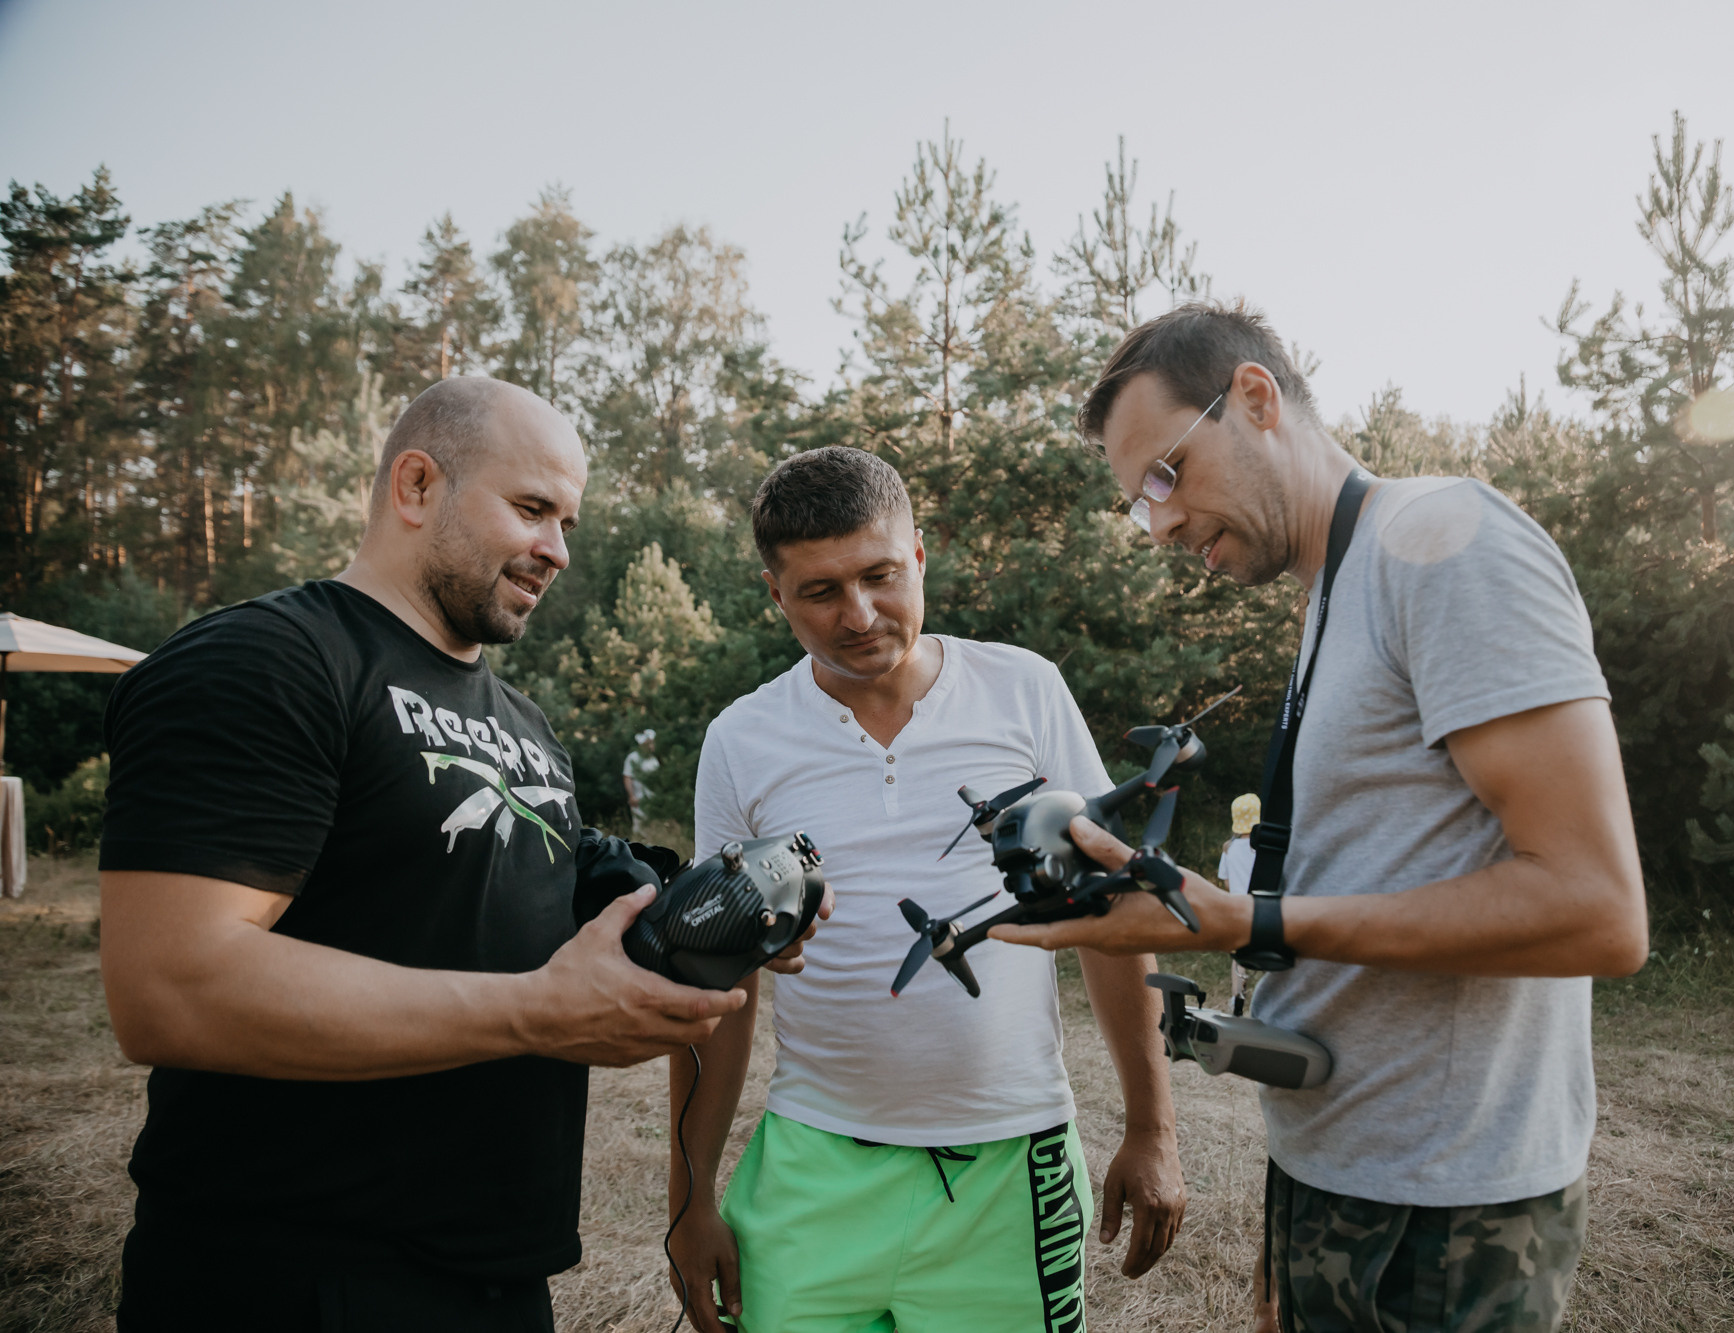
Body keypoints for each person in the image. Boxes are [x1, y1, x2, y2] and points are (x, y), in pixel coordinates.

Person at [993, 303, 1649, 1333]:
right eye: (1137, 506)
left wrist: (1249, 924)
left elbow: (1596, 909)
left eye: (1162, 476)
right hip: (1344, 1177)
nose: (1158, 525)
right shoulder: (1338, 589)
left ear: (1254, 399)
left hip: (1439, 1213)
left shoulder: (1444, 542)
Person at [96, 377, 786, 1333]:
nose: (558, 550)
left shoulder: (524, 724)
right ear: (416, 486)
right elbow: (172, 986)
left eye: (569, 520)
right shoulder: (268, 660)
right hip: (286, 1277)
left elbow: (530, 880)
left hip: (497, 1277)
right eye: (533, 508)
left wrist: (705, 909)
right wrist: (535, 1014)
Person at [670, 446, 1187, 1333]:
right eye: (820, 591)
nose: (859, 614)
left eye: (879, 575)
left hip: (1008, 1161)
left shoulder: (1026, 690)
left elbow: (1104, 916)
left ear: (920, 555)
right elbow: (717, 984)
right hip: (810, 1165)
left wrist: (1153, 1128)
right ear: (775, 595)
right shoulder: (741, 738)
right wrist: (688, 1201)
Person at [1218, 792, 1260, 1009]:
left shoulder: (1229, 848)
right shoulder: (1261, 849)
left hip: (1236, 910)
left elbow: (1225, 882)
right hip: (1260, 908)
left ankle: (1237, 997)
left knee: (1238, 959)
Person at [623, 728, 660, 838]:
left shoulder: (654, 760)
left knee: (653, 829)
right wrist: (631, 796)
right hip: (639, 800)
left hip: (652, 800)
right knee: (639, 829)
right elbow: (627, 777)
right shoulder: (633, 758)